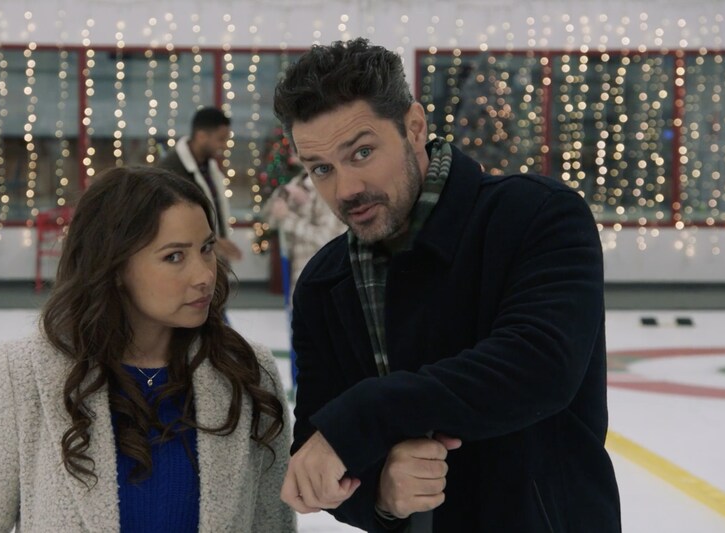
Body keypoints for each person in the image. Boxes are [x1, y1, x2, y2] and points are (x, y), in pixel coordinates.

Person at [274, 38, 620, 532]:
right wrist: (381, 495)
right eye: (321, 169)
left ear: (414, 127)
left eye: (363, 152)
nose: (345, 189)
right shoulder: (324, 284)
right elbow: (319, 454)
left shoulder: (535, 215)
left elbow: (540, 366)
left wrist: (364, 416)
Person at [0, 166, 295, 532]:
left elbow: (273, 524)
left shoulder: (248, 372)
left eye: (206, 249)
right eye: (174, 256)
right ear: (115, 266)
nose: (204, 275)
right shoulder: (24, 373)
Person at [159, 107, 244, 264]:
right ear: (201, 136)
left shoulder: (209, 166)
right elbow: (173, 223)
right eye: (221, 139)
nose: (224, 146)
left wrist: (219, 241)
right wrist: (213, 243)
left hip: (211, 255)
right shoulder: (170, 170)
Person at [266, 170, 347, 303]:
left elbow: (331, 241)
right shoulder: (295, 184)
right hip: (299, 276)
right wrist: (281, 200)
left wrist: (288, 218)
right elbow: (272, 221)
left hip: (325, 278)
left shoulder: (328, 189)